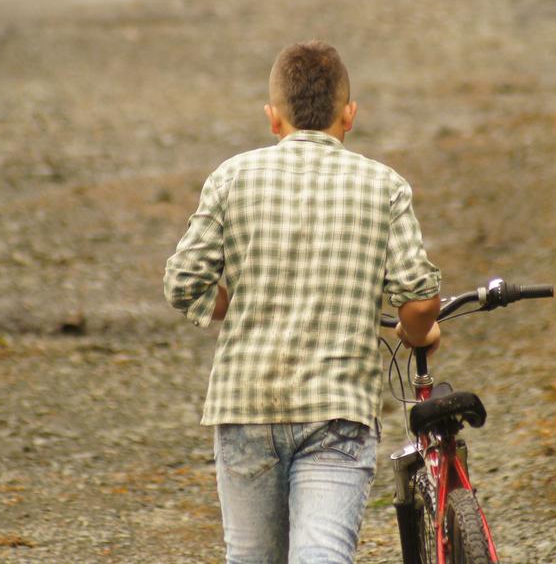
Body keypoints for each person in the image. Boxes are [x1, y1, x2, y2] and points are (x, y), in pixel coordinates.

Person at [163, 39, 441, 564]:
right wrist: (418, 332)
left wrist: (236, 300)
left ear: (273, 118)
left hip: (245, 404)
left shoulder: (231, 177)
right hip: (337, 412)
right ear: (349, 115)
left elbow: (183, 284)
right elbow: (420, 300)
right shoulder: (383, 186)